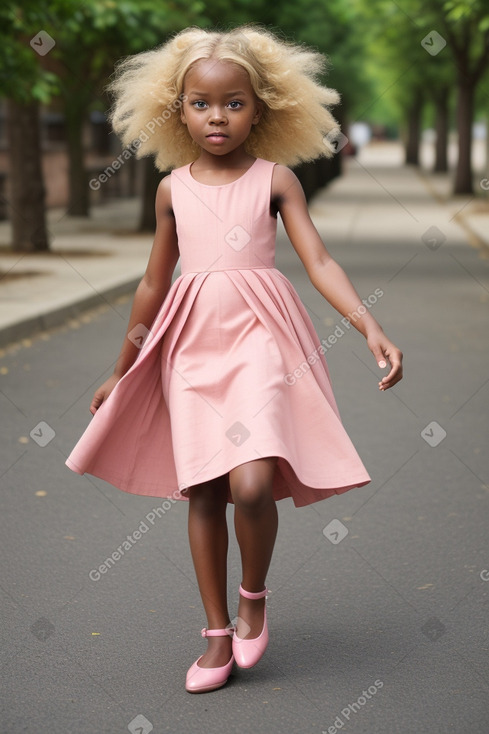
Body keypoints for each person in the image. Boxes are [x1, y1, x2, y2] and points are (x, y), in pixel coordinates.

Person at [66, 25, 403, 694]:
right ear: (177, 109)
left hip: (260, 341)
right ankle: (215, 635)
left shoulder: (274, 180)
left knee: (251, 482)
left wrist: (369, 327)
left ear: (263, 108)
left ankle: (253, 596)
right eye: (199, 103)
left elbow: (319, 260)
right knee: (205, 488)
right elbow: (153, 284)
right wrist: (120, 366)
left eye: (233, 103)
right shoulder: (170, 190)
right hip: (190, 347)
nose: (215, 116)